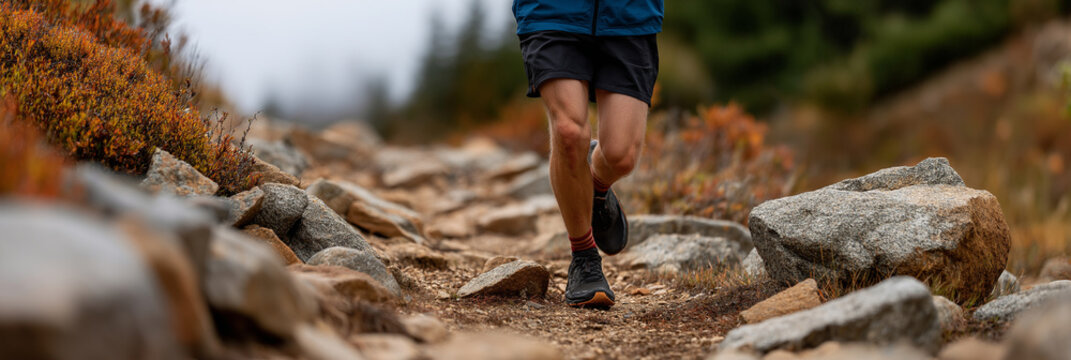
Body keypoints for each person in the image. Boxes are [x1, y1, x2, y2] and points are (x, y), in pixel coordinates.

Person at [512, 0, 663, 309]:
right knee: (569, 133)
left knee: (621, 156)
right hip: (551, 12)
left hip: (629, 15)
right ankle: (584, 257)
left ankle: (594, 184)